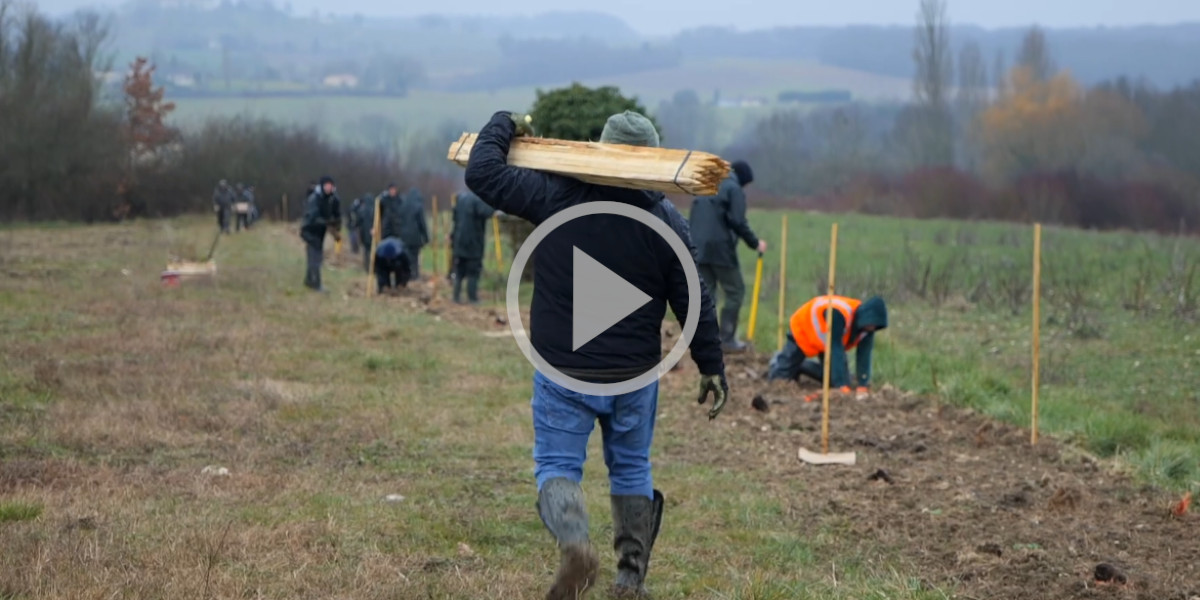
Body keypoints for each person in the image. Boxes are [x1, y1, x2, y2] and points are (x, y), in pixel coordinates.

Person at [465, 109, 727, 600]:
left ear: (597, 149)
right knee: (631, 468)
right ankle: (629, 581)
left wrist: (505, 123)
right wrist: (710, 364)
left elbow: (481, 172)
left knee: (557, 465)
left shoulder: (556, 195)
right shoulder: (667, 221)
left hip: (563, 368)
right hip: (633, 375)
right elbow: (695, 297)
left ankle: (575, 544)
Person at [688, 160, 767, 352]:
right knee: (735, 291)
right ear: (744, 179)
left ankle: (704, 339)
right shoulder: (734, 189)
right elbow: (738, 221)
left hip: (697, 247)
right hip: (720, 249)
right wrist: (755, 243)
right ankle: (726, 339)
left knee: (707, 294)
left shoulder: (707, 184)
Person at [767, 295, 888, 401]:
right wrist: (841, 385)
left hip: (827, 342)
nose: (872, 329)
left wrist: (863, 384)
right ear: (865, 318)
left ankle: (801, 366)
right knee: (779, 379)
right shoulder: (839, 314)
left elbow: (864, 355)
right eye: (871, 325)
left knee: (834, 380)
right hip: (804, 329)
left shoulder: (867, 328)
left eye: (875, 326)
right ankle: (778, 361)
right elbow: (836, 348)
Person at [449, 190, 495, 304]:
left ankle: (456, 297)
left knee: (459, 271)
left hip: (459, 242)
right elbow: (487, 212)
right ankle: (472, 298)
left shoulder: (460, 199)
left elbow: (455, 218)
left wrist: (452, 236)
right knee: (473, 272)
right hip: (473, 243)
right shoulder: (478, 200)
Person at [300, 175, 342, 292]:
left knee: (314, 256)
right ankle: (316, 284)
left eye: (331, 185)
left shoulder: (333, 198)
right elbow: (313, 217)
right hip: (310, 229)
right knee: (315, 256)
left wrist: (336, 226)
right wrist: (327, 222)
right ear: (322, 186)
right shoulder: (315, 198)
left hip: (320, 230)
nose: (329, 188)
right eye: (327, 185)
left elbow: (336, 213)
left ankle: (309, 280)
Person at [397, 186, 429, 281]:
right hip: (415, 236)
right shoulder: (418, 206)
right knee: (415, 256)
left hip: (404, 236)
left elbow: (399, 220)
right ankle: (415, 275)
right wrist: (426, 237)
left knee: (406, 255)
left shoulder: (403, 205)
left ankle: (407, 274)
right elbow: (422, 223)